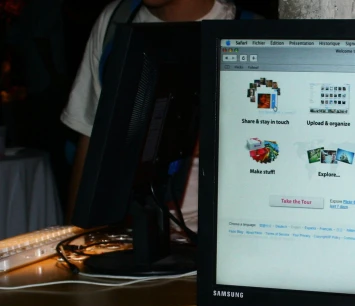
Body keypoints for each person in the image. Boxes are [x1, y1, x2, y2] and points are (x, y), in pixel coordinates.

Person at [60, 0, 240, 223]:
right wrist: (76, 236)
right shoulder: (117, 19)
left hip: (214, 236)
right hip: (121, 234)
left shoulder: (246, 29)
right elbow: (90, 138)